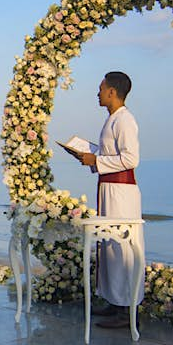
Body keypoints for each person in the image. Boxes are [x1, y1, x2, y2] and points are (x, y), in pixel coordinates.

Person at [63, 71, 143, 329]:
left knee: (121, 246)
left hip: (121, 191)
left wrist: (96, 160)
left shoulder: (125, 120)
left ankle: (125, 307)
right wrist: (88, 156)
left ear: (112, 91)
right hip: (108, 188)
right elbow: (111, 154)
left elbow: (131, 159)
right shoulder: (111, 120)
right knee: (109, 245)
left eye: (100, 88)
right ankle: (113, 300)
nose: (97, 93)